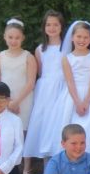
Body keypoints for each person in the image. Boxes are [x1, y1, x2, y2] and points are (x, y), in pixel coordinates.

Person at [56, 20, 90, 158]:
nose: (82, 40)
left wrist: (86, 102)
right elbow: (69, 82)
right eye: (79, 37)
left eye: (86, 37)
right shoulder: (66, 58)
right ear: (72, 37)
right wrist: (77, 102)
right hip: (72, 97)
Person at [0, 17, 37, 174]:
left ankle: (27, 169)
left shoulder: (28, 57)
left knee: (24, 133)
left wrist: (16, 102)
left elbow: (31, 82)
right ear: (4, 37)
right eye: (10, 37)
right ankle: (6, 167)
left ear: (22, 38)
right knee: (7, 133)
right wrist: (7, 102)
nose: (13, 40)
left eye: (17, 37)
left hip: (24, 99)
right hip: (3, 101)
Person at [24, 10, 66, 161]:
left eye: (56, 24)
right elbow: (41, 71)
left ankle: (59, 159)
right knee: (44, 123)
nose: (52, 28)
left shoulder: (67, 47)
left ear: (61, 26)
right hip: (45, 90)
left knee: (58, 122)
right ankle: (44, 162)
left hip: (62, 87)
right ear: (44, 27)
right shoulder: (40, 49)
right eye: (48, 25)